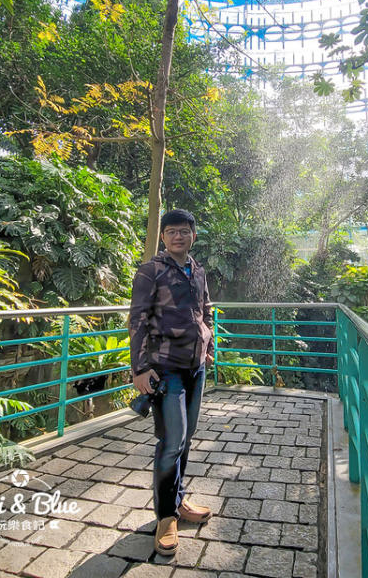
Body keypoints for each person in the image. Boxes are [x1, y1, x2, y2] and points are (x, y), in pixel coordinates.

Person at [128, 208, 215, 556]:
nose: (178, 236)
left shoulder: (198, 270)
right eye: (171, 231)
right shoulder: (151, 271)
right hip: (166, 369)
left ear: (193, 236)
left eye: (184, 231)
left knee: (186, 436)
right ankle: (165, 517)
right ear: (163, 237)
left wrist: (209, 346)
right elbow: (137, 319)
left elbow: (206, 309)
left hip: (196, 366)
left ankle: (178, 502)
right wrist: (138, 369)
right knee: (171, 441)